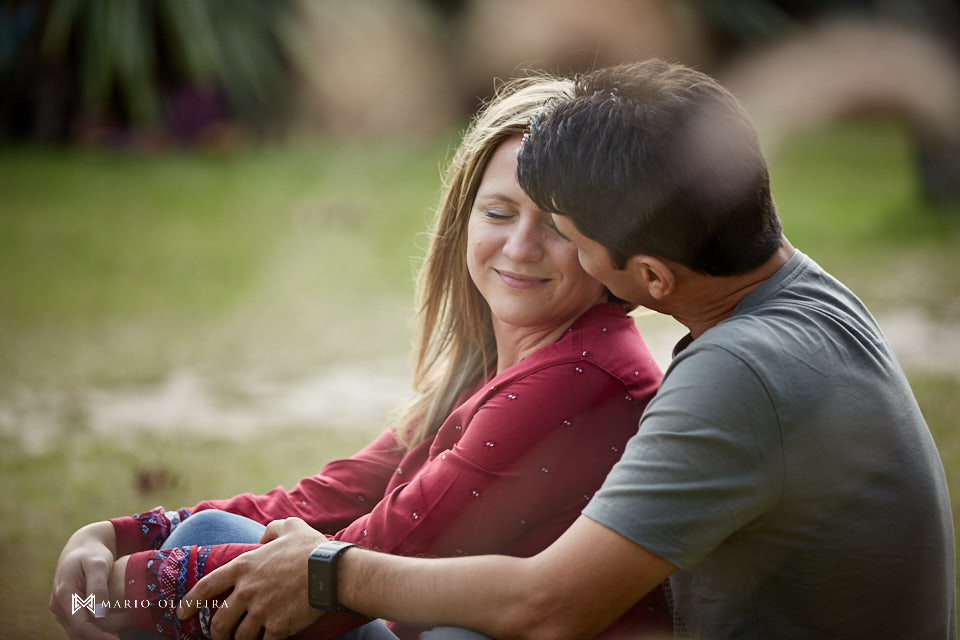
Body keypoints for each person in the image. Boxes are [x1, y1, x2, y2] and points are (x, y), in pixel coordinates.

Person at [176, 59, 956, 640]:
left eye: (573, 239)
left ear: (646, 276)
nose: (550, 256)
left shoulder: (738, 374)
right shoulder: (799, 290)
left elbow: (551, 604)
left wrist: (326, 571)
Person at [49, 76, 672, 640]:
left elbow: (383, 548)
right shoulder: (498, 357)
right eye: (499, 212)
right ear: (463, 221)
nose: (520, 246)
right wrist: (118, 534)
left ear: (601, 243)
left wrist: (120, 593)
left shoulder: (582, 374)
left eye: (558, 226)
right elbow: (332, 497)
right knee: (212, 538)